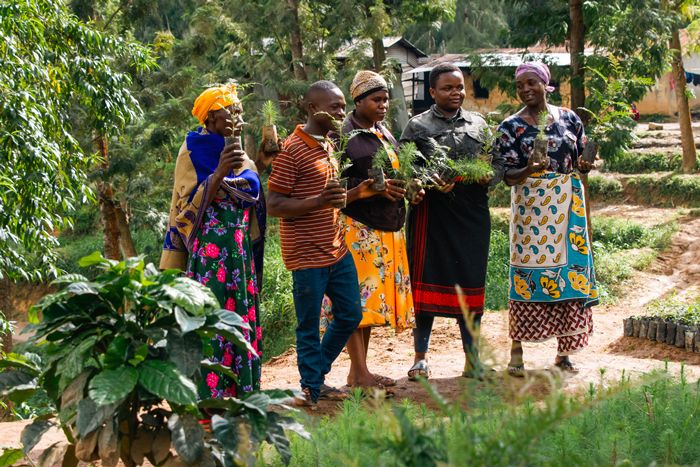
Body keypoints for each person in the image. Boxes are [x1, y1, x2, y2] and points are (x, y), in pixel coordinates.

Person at [267, 80, 372, 405]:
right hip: (306, 254)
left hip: (336, 247)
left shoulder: (328, 144)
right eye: (335, 107)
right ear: (313, 109)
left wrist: (359, 192)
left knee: (351, 314)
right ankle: (312, 389)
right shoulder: (291, 150)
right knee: (309, 324)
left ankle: (314, 377)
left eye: (343, 106)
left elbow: (329, 199)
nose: (342, 112)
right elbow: (272, 205)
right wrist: (317, 201)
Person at [160, 83, 267, 399]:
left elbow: (251, 188)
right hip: (209, 249)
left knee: (239, 313)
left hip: (237, 247)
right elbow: (186, 205)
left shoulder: (237, 150)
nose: (239, 118)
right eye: (231, 112)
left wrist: (248, 169)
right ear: (210, 118)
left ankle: (241, 391)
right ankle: (209, 396)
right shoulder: (192, 150)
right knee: (210, 315)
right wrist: (220, 174)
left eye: (240, 112)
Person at [493, 61, 598, 376]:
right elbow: (506, 175)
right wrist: (529, 170)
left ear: (545, 84)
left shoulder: (569, 118)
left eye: (531, 83)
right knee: (526, 275)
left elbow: (580, 156)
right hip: (531, 209)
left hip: (566, 205)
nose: (525, 89)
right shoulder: (510, 127)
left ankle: (564, 353)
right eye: (520, 85)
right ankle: (517, 353)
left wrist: (585, 164)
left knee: (570, 273)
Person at [400, 63, 501, 380]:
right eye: (447, 88)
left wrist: (487, 176)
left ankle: (472, 361)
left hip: (471, 216)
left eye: (459, 87)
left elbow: (495, 164)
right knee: (424, 285)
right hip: (432, 214)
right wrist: (424, 180)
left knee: (471, 285)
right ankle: (420, 359)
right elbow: (405, 169)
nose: (456, 93)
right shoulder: (417, 127)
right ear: (432, 92)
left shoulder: (479, 124)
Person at [322, 70, 421, 389]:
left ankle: (359, 371)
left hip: (385, 227)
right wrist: (366, 189)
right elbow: (330, 181)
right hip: (357, 229)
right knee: (354, 302)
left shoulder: (382, 132)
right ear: (358, 101)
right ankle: (359, 372)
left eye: (385, 100)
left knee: (367, 305)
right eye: (376, 100)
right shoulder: (342, 134)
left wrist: (408, 186)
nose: (383, 105)